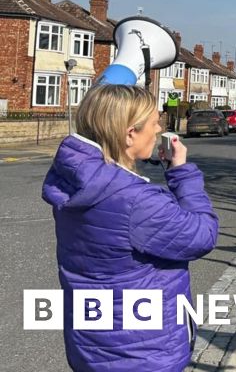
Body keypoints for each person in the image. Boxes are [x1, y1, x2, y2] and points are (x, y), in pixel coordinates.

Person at [42, 84, 219, 372]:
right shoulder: (138, 202)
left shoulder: (76, 184)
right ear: (129, 133)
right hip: (142, 354)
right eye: (153, 122)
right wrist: (181, 173)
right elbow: (202, 235)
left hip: (91, 346)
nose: (159, 128)